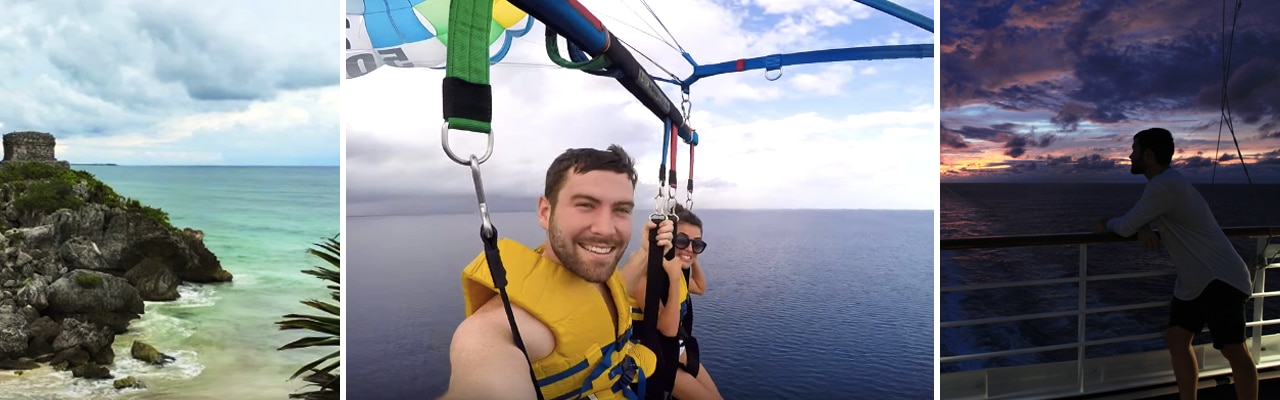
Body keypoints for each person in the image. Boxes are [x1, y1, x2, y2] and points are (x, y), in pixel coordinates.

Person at [442, 145, 676, 400]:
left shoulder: (596, 272)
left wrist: (645, 251)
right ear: (545, 212)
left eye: (621, 210)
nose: (606, 229)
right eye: (586, 205)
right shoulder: (497, 330)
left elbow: (618, 289)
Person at [1092, 128, 1257, 400]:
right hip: (1195, 282)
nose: (1129, 155)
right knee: (1177, 339)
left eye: (1134, 150)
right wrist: (1143, 223)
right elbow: (1142, 216)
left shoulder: (1163, 185)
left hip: (1220, 278)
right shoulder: (1165, 184)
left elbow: (1124, 226)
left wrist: (1106, 221)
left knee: (1233, 350)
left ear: (1148, 154)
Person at [621, 204, 723, 400]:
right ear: (668, 238)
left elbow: (700, 288)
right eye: (682, 240)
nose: (690, 247)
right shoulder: (645, 276)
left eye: (698, 244)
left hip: (676, 348)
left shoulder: (675, 267)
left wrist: (691, 256)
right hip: (652, 352)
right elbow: (668, 330)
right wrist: (675, 277)